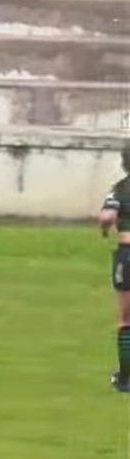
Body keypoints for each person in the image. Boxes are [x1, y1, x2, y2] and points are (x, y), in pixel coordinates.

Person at [96, 145, 130, 392]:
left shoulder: (120, 188)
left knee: (126, 319)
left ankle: (126, 380)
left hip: (127, 255)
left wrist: (105, 229)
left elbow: (107, 216)